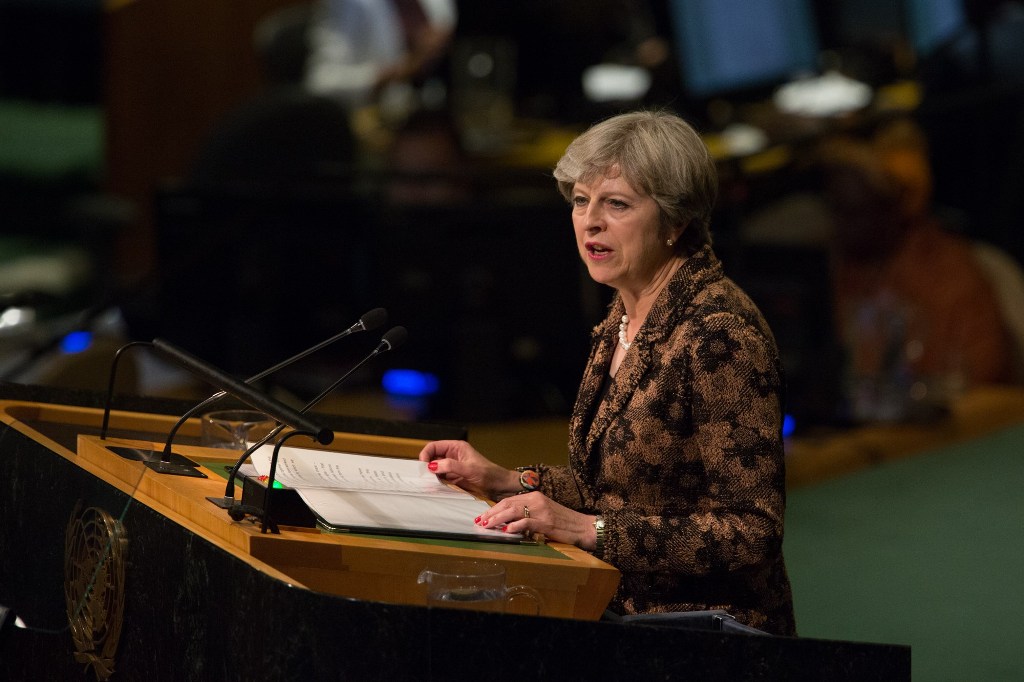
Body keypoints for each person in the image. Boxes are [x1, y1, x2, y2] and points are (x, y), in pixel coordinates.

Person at [419, 110, 796, 636]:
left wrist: (587, 529)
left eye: (615, 204)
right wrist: (505, 480)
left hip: (707, 634)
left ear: (674, 220)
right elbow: (625, 489)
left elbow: (752, 530)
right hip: (619, 611)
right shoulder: (624, 313)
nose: (589, 221)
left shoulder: (719, 335)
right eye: (580, 200)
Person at [819, 117, 1016, 416]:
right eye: (836, 209)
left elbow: (977, 386)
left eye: (855, 212)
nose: (840, 227)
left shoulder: (951, 277)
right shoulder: (838, 269)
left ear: (890, 207)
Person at [303, 0, 457, 113]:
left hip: (443, 114)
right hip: (378, 127)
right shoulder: (347, 4)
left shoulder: (440, 3)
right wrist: (397, 72)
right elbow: (320, 83)